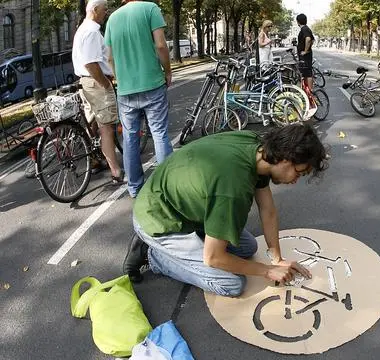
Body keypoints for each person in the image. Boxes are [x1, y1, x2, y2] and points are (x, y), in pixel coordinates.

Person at [123, 123, 329, 297]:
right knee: (232, 284)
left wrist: (278, 259)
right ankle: (153, 255)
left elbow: (268, 210)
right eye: (299, 173)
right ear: (285, 158)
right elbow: (213, 258)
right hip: (158, 219)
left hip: (180, 206)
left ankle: (191, 241)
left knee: (248, 247)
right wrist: (268, 270)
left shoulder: (259, 148)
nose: (295, 181)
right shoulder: (233, 188)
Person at [104, 0, 173, 198]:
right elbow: (160, 45)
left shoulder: (112, 19)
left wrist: (119, 77)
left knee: (130, 138)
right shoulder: (150, 9)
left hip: (126, 90)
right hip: (152, 83)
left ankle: (135, 188)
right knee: (159, 133)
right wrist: (167, 71)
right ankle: (167, 184)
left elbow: (109, 57)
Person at [72, 0, 124, 184]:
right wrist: (105, 83)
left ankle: (95, 160)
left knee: (93, 123)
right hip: (97, 83)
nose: (106, 11)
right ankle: (115, 171)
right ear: (95, 10)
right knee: (107, 128)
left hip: (86, 83)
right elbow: (91, 63)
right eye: (104, 9)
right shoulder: (92, 32)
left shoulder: (82, 29)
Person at [296, 13, 315, 90]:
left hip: (305, 56)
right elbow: (312, 40)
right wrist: (309, 47)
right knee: (306, 73)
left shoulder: (304, 29)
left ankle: (310, 92)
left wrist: (305, 50)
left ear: (298, 21)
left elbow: (309, 39)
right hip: (307, 55)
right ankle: (307, 91)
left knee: (308, 73)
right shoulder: (307, 28)